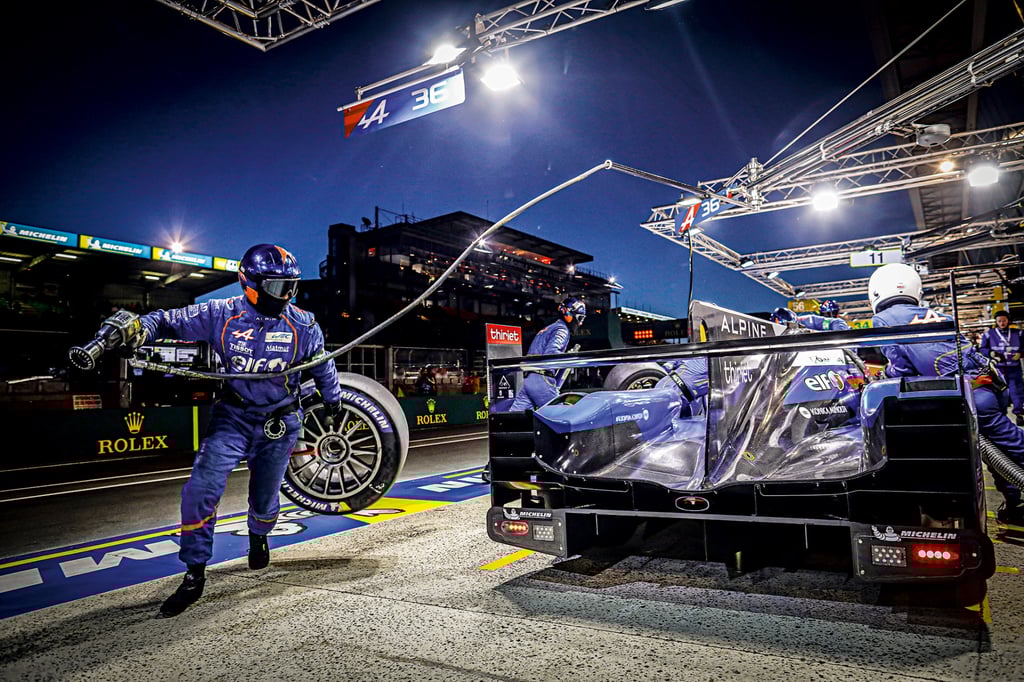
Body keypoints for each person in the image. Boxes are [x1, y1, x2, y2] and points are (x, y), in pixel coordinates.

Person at [95, 244, 343, 617]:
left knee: (264, 499)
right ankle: (195, 573)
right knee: (200, 490)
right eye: (278, 289)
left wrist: (334, 398)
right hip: (233, 416)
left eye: (291, 287)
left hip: (280, 419)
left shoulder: (303, 323)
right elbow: (164, 320)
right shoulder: (219, 314)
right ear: (250, 284)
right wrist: (136, 328)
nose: (286, 297)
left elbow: (323, 364)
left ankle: (259, 537)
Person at [868, 263, 1024, 524]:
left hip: (965, 397)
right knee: (1003, 448)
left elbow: (901, 367)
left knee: (1012, 446)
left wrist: (884, 375)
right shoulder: (935, 314)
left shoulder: (884, 319)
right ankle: (1014, 505)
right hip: (987, 387)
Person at [510, 296, 586, 411]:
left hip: (528, 380)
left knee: (515, 420)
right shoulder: (562, 330)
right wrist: (570, 358)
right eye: (580, 318)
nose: (580, 323)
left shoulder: (547, 329)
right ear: (570, 313)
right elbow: (552, 353)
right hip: (542, 380)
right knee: (559, 416)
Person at [980, 310, 1024, 426]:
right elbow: (982, 349)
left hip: (1014, 368)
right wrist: (991, 353)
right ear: (996, 322)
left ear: (1008, 321)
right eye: (999, 321)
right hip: (998, 369)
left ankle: (1019, 414)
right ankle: (1001, 415)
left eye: (1004, 321)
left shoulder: (1018, 333)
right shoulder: (989, 334)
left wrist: (1021, 353)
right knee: (999, 391)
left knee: (1017, 391)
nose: (1002, 323)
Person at [771, 300, 850, 331]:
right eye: (824, 313)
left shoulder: (808, 321)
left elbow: (838, 324)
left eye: (829, 313)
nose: (827, 315)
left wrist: (809, 333)